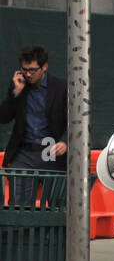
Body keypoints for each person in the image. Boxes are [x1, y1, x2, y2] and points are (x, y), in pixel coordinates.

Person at [1, 46, 68, 206]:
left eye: (32, 70)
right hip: (24, 152)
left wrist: (65, 142)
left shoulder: (61, 87)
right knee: (18, 205)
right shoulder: (19, 86)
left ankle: (51, 231)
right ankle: (19, 231)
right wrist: (15, 93)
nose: (28, 74)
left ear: (44, 67)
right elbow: (4, 117)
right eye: (24, 70)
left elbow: (73, 121)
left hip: (50, 151)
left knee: (57, 205)